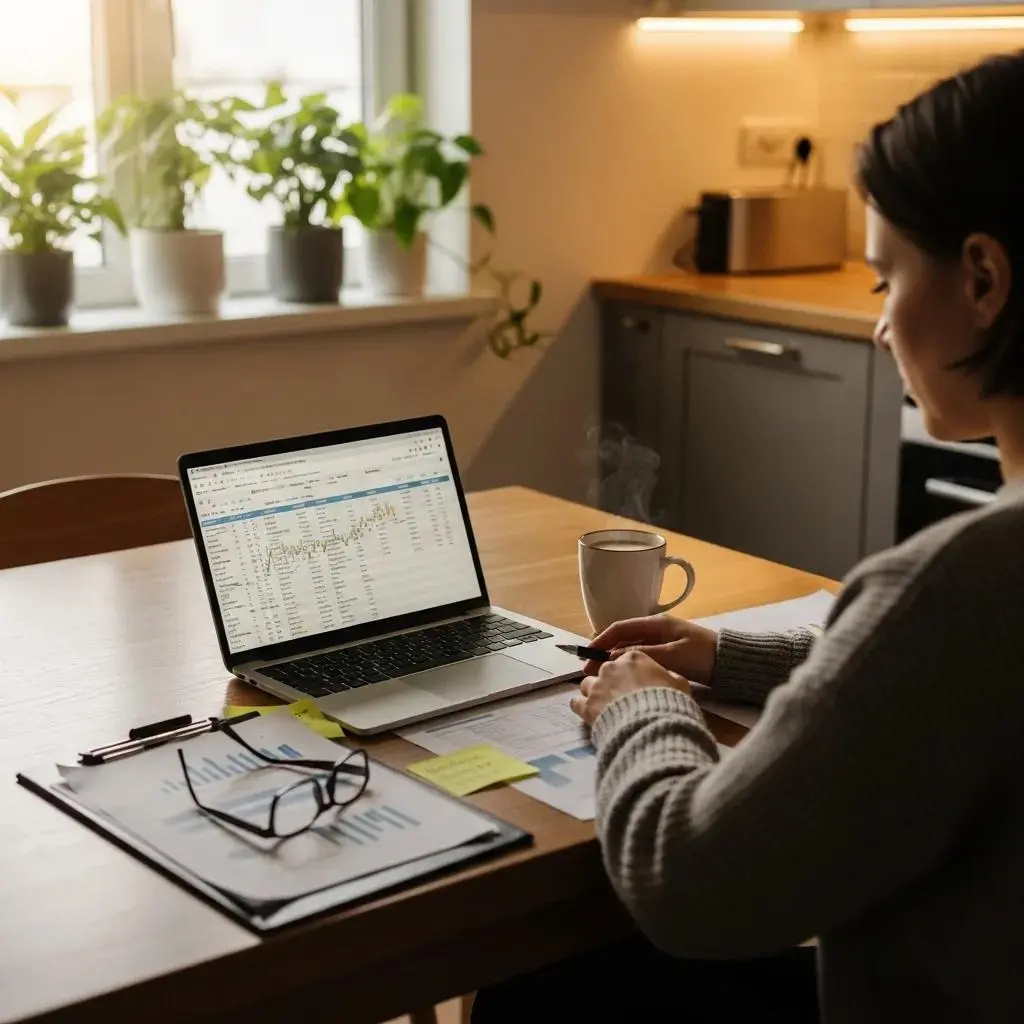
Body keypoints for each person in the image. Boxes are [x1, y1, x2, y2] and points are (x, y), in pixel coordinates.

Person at [472, 49, 1024, 1024]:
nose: (878, 327)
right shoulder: (964, 600)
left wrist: (638, 708)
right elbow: (943, 683)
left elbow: (688, 880)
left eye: (884, 277)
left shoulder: (958, 580)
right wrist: (723, 653)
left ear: (981, 278)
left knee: (547, 970)